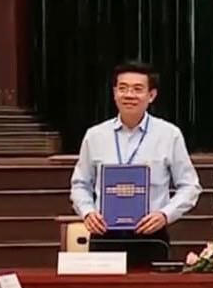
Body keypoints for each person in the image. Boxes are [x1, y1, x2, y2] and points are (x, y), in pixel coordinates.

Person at [70, 62, 201, 252]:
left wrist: (165, 215)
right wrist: (88, 212)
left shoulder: (169, 134)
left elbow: (190, 186)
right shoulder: (95, 136)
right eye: (123, 88)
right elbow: (80, 184)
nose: (129, 95)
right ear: (114, 93)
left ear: (151, 95)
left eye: (138, 89)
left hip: (151, 236)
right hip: (105, 234)